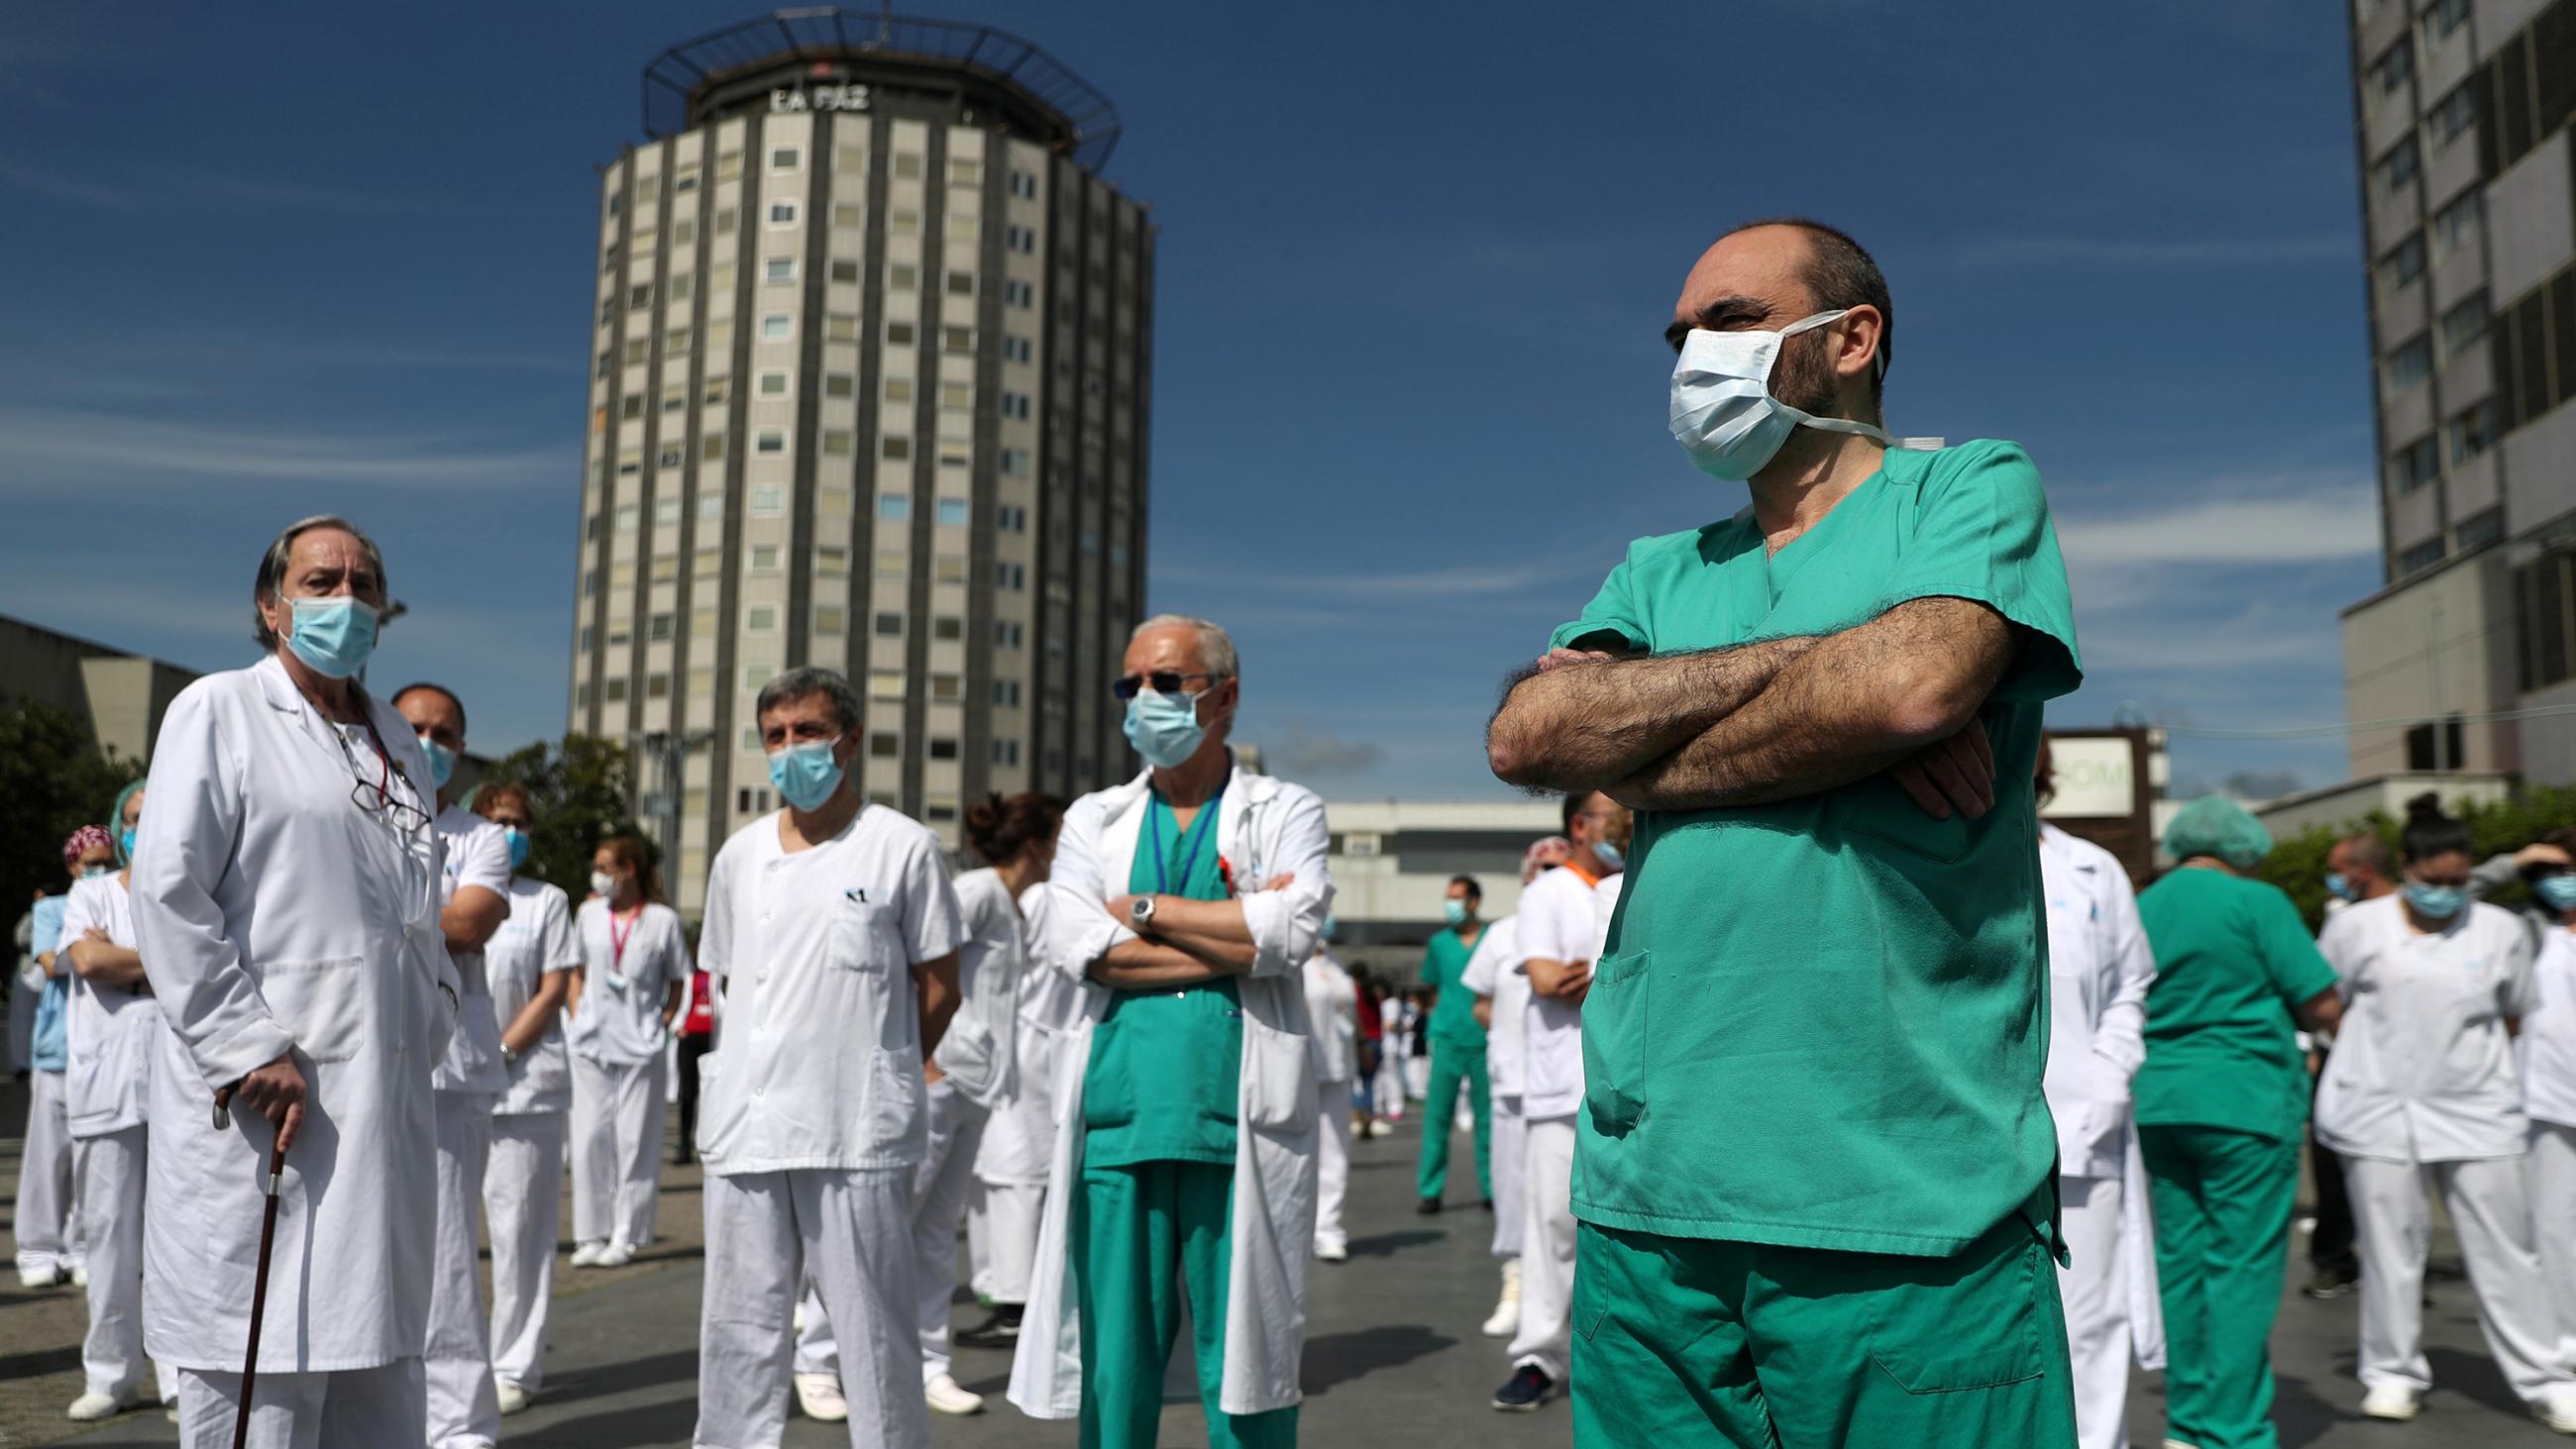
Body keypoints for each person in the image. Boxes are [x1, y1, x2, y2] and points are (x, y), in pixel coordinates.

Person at [1485, 218, 2084, 1443]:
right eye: (1677, 333)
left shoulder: (1964, 485)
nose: (1689, 354)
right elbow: (1529, 737)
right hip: (1650, 1197)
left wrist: (1650, 756)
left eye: (1728, 320)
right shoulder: (1658, 565)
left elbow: (1909, 687)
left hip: (1903, 1199)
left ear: (1852, 337)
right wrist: (1835, 676)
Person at [131, 514, 459, 1444]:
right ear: (273, 606)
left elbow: (415, 908)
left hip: (385, 1105)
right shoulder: (220, 709)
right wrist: (245, 1046)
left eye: (363, 582)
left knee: (380, 1378)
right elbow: (168, 890)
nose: (344, 598)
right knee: (264, 1375)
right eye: (321, 582)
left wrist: (432, 1010)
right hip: (274, 1103)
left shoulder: (398, 737)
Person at [1008, 614, 1333, 1449]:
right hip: (1122, 1122)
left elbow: (1294, 932)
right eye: (1132, 685)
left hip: (1238, 1120)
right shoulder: (1094, 819)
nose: (1142, 700)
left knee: (1248, 1375)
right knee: (1116, 1370)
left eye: (1164, 682)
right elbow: (1084, 950)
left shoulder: (1284, 807)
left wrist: (1146, 913)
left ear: (1224, 696)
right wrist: (1236, 942)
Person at [692, 666, 963, 1449]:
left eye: (807, 731)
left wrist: (885, 1063)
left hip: (854, 1127)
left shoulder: (901, 846)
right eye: (775, 735)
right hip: (746, 1120)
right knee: (739, 1327)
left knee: (873, 1328)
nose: (790, 750)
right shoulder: (738, 856)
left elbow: (940, 983)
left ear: (850, 741)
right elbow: (732, 980)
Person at [2312, 796, 2576, 1429]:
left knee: (2505, 1249)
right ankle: (2393, 1372)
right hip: (2376, 1107)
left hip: (2477, 1106)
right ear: (2406, 866)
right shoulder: (2356, 926)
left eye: (2459, 882)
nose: (2447, 895)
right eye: (2434, 883)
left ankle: (2546, 1376)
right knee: (2391, 1247)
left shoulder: (2500, 929)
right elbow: (2327, 1003)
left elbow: (2516, 1009)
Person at [2134, 796, 2345, 1449]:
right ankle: (2233, 1429)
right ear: (2243, 847)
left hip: (2158, 1099)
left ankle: (2187, 1422)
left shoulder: (2143, 904)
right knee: (2242, 1268)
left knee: (2180, 1261)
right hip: (2244, 1101)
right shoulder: (2258, 903)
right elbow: (2323, 1002)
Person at [910, 790, 1062, 1415]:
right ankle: (823, 1355)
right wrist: (925, 1059)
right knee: (890, 1223)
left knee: (938, 1237)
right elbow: (914, 962)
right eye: (1057, 839)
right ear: (1035, 844)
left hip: (979, 1085)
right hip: (942, 1081)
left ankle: (929, 1363)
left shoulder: (1013, 904)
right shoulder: (973, 891)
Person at [394, 682, 514, 1449]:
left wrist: (378, 910)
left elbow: (468, 924)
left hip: (451, 1070)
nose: (430, 742)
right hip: (363, 1058)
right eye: (416, 729)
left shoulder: (480, 838)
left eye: (445, 733)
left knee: (442, 1254)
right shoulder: (353, 817)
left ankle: (461, 1421)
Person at [2034, 748, 2163, 1449]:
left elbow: (2128, 986)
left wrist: (2111, 1075)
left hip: (2080, 1121)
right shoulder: (1913, 855)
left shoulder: (2091, 869)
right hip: (1958, 1130)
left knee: (2089, 1323)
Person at [1490, 798, 1622, 1411]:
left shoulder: (1635, 883)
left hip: (1626, 1083)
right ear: (1579, 825)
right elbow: (1547, 980)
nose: (1623, 821)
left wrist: (1595, 977)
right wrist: (1610, 977)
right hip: (1558, 1086)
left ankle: (1616, 1360)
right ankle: (1540, 1357)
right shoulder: (1547, 894)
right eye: (1611, 811)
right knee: (1551, 1227)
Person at [61, 783, 173, 1421]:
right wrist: (157, 965)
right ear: (116, 825)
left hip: (178, 1087)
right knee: (107, 1232)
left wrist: (127, 961)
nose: (139, 828)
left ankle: (182, 1373)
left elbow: (197, 964)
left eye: (150, 818)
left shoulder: (188, 893)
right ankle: (110, 1372)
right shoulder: (91, 893)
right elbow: (90, 959)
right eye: (130, 820)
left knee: (178, 1232)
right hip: (106, 1087)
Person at [470, 781, 579, 1415]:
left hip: (526, 1089)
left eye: (518, 822)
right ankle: (451, 1360)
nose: (509, 831)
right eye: (497, 820)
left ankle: (514, 1362)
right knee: (448, 1237)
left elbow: (551, 988)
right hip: (454, 1086)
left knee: (520, 1236)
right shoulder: (447, 892)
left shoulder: (546, 901)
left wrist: (502, 1053)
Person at [958, 849, 1072, 1355]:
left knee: (1015, 1176)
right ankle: (1002, 1288)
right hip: (1020, 1045)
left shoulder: (1042, 897)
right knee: (998, 1176)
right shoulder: (1032, 895)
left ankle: (1016, 1303)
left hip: (1027, 1046)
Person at [1462, 836, 1568, 1342]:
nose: (1548, 876)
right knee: (1512, 1191)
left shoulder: (1588, 927)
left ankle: (1570, 1307)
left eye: (1558, 868)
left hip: (1571, 1085)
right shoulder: (1502, 935)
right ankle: (1515, 1285)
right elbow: (1481, 1003)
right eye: (1541, 868)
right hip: (1514, 1085)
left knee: (1564, 1204)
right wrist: (1509, 1038)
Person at [568, 834, 687, 1269]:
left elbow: (678, 980)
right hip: (592, 1041)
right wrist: (577, 1011)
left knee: (634, 1141)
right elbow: (576, 970)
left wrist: (664, 1021)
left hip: (640, 1044)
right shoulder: (587, 914)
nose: (597, 875)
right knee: (590, 1139)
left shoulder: (662, 920)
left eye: (604, 866)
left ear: (628, 869)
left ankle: (626, 1233)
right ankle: (589, 1234)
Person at [2305, 831, 2397, 1301]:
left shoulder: (2406, 919)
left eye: (2337, 868)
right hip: (2342, 1059)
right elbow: (2325, 997)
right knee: (2331, 1165)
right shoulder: (2343, 921)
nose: (2332, 878)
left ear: (2362, 871)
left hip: (2396, 1064)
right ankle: (2335, 1260)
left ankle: (2400, 1269)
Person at [15, 826, 103, 1290]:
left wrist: (95, 952)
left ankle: (81, 1246)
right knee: (48, 1157)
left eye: (107, 860)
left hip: (103, 1050)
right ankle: (38, 1246)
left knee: (95, 1157)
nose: (101, 870)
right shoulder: (50, 908)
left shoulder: (118, 900)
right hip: (56, 1049)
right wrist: (96, 950)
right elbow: (52, 964)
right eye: (92, 862)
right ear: (73, 865)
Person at [2524, 831, 2576, 1376]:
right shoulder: (2531, 931)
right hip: (2547, 1097)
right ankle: (2566, 1340)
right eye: (2552, 870)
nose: (2560, 880)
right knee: (2555, 1225)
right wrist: (2516, 861)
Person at [1413, 875, 1492, 1216]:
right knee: (1437, 1118)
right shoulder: (1438, 944)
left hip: (1485, 1040)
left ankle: (1492, 1188)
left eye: (1456, 898)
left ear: (1474, 901)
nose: (1451, 905)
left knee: (1489, 1122)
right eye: (1448, 897)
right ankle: (1430, 1190)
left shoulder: (1493, 939)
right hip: (1446, 1039)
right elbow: (1430, 989)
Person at [1304, 921, 1359, 1261]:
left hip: (1339, 1065)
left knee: (1336, 1150)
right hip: (1302, 1067)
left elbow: (1348, 1008)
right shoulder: (1291, 961)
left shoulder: (1333, 961)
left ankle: (1328, 1229)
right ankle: (1298, 1227)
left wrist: (1364, 1042)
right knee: (1300, 1150)